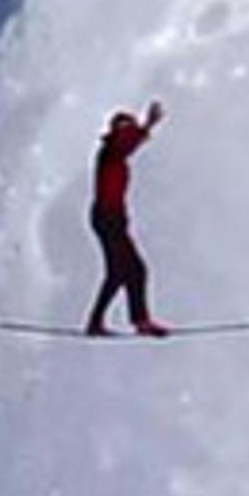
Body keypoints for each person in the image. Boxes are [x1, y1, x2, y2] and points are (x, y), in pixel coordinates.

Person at [82, 99, 168, 337]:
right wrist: (147, 124)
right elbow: (126, 140)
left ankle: (97, 323)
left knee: (120, 272)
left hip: (112, 219)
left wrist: (144, 129)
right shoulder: (110, 151)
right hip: (107, 219)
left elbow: (128, 143)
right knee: (134, 270)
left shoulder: (114, 154)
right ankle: (139, 321)